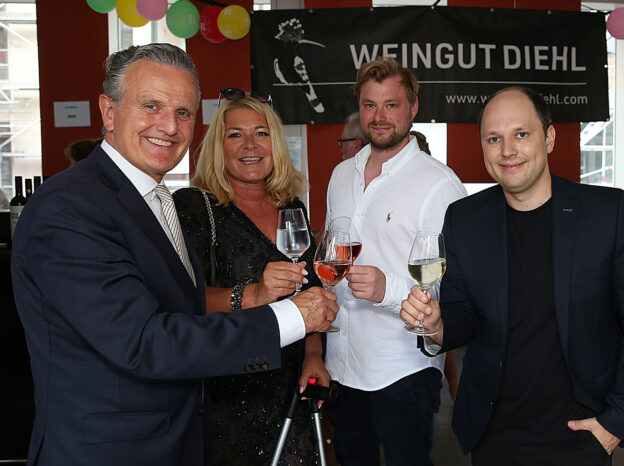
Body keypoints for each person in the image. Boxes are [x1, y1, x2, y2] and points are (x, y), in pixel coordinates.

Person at [10, 43, 338, 466]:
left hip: (179, 437)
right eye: (151, 106)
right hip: (113, 451)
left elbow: (182, 310)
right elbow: (144, 342)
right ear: (109, 112)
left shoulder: (154, 198)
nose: (169, 126)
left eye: (183, 112)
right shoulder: (70, 205)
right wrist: (291, 316)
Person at [400, 86, 624, 465]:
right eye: (494, 139)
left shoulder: (608, 214)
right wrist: (436, 324)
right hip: (493, 436)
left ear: (549, 138)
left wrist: (618, 422)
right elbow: (463, 315)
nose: (507, 150)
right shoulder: (464, 219)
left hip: (580, 436)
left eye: (521, 134)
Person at [323, 57, 467, 466]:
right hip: (342, 364)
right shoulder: (340, 175)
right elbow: (332, 253)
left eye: (391, 105)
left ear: (413, 107)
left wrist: (388, 289)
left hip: (402, 369)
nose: (379, 116)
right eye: (370, 105)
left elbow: (452, 290)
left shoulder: (440, 185)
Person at [173, 93, 327, 465]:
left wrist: (314, 356)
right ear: (218, 146)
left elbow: (310, 291)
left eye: (261, 133)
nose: (250, 145)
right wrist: (254, 293)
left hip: (292, 385)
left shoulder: (291, 206)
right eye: (235, 135)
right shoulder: (195, 206)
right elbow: (183, 302)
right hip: (229, 388)